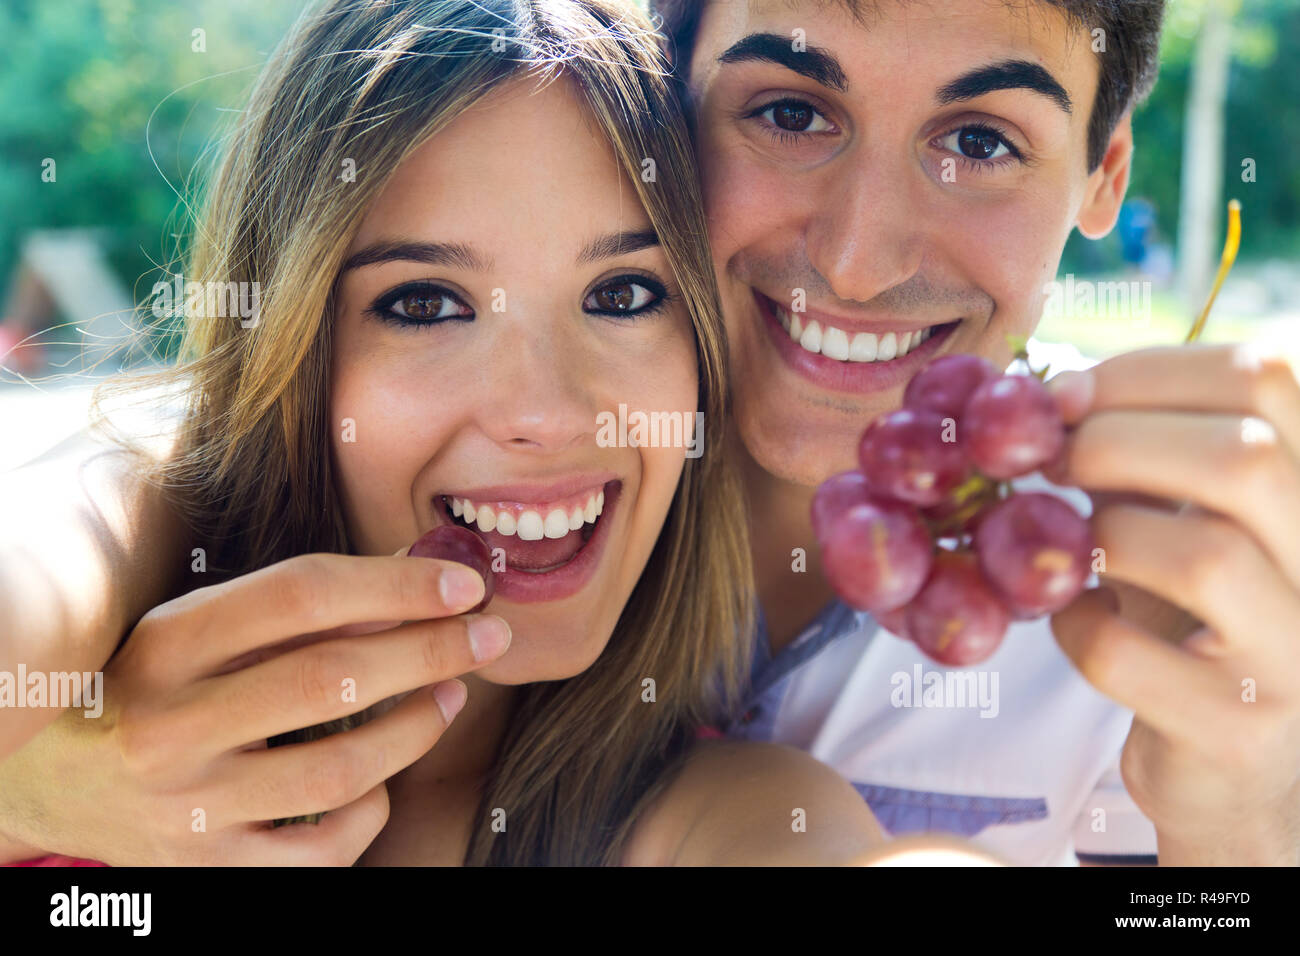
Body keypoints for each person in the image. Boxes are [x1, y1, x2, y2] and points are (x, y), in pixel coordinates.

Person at [0, 0, 895, 866]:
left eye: (622, 295)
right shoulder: (129, 517)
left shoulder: (737, 815)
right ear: (294, 347)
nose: (545, 416)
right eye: (425, 305)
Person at [652, 0, 1300, 865]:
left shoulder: (1181, 583)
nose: (856, 262)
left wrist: (1232, 829)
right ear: (661, 99)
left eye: (980, 144)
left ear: (1103, 175)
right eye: (791, 114)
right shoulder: (510, 471)